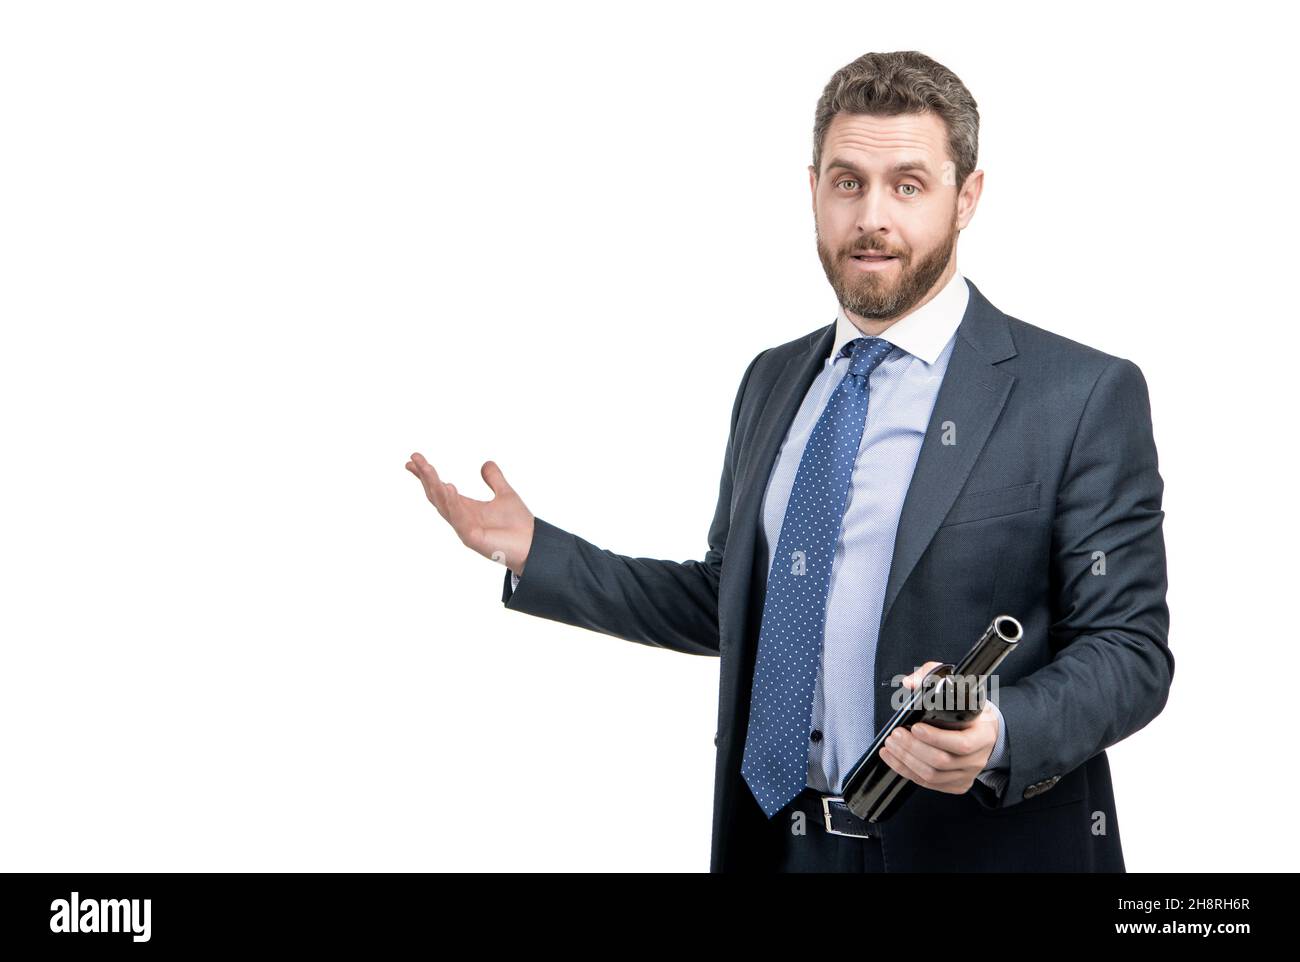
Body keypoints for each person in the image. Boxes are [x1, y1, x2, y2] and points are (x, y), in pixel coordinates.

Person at [405, 50, 1171, 872]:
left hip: (974, 849)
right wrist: (534, 551)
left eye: (907, 185)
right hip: (780, 843)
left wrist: (1002, 731)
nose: (872, 217)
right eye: (848, 183)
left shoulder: (1079, 395)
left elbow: (1129, 649)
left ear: (967, 196)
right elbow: (731, 601)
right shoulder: (774, 380)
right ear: (813, 190)